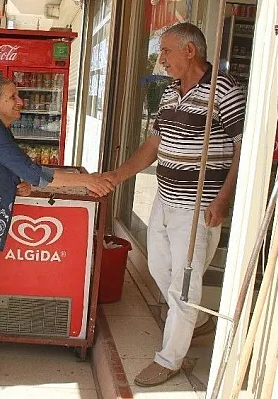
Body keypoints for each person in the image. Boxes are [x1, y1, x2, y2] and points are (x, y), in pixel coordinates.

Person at [0, 76, 114, 399]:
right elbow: (36, 171)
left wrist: (19, 183)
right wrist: (88, 181)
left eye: (19, 96)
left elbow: (8, 169)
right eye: (13, 96)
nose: (20, 101)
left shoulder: (1, 132)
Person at [103, 23, 245, 387]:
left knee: (184, 285)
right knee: (160, 268)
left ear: (190, 51)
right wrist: (119, 176)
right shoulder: (169, 92)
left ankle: (170, 359)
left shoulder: (224, 90)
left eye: (165, 51)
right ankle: (197, 322)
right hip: (166, 198)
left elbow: (244, 149)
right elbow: (154, 144)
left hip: (198, 205)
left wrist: (224, 197)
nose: (160, 59)